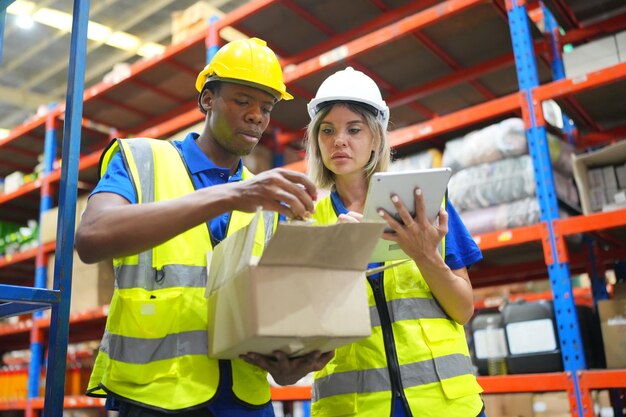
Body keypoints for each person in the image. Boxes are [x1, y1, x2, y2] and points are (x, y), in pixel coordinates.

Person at [75, 37, 332, 417]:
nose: (257, 116)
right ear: (207, 100)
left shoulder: (267, 198)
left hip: (246, 402)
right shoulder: (143, 158)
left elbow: (274, 312)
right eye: (243, 100)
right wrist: (229, 195)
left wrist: (290, 362)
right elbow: (91, 238)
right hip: (156, 398)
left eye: (267, 106)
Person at [306, 67, 486, 417]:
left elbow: (463, 309)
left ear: (376, 138)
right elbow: (300, 335)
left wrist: (424, 255)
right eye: (327, 131)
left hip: (443, 406)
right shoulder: (307, 224)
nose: (338, 140)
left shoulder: (426, 202)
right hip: (354, 409)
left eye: (354, 129)